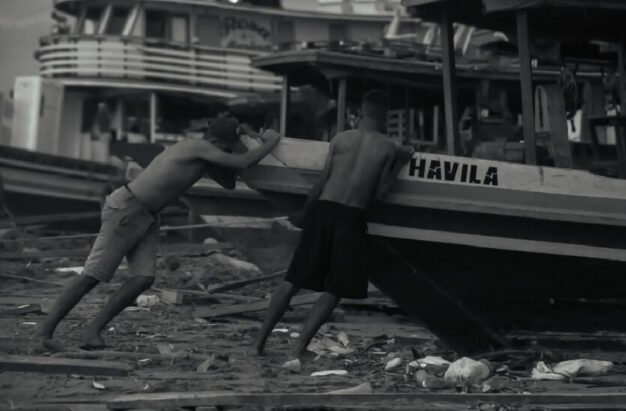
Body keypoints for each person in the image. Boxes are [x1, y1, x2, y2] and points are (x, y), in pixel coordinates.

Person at [35, 117, 280, 351]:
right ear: (218, 143)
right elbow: (242, 163)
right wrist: (269, 142)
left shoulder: (206, 155)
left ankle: (92, 332)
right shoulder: (197, 146)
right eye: (228, 146)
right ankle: (43, 333)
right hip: (129, 208)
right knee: (92, 275)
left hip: (147, 214)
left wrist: (240, 142)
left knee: (142, 278)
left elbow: (229, 181)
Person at [251, 89, 413, 372]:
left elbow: (322, 182)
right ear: (384, 116)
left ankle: (258, 344)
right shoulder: (388, 148)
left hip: (324, 208)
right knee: (335, 288)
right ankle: (297, 348)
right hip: (352, 215)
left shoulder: (341, 139)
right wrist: (401, 161)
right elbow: (380, 194)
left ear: (360, 113)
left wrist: (303, 213)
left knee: (293, 279)